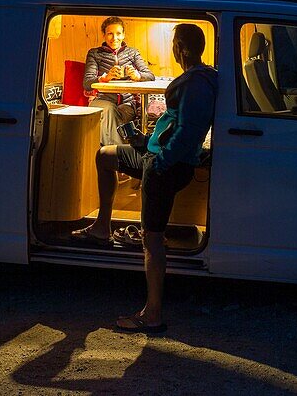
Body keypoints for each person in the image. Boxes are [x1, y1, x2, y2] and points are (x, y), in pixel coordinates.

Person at [72, 23, 218, 335]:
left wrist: (159, 162)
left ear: (180, 47)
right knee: (105, 155)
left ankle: (152, 315)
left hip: (166, 167)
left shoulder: (196, 84)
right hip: (155, 155)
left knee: (152, 239)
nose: (173, 48)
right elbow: (173, 125)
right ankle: (101, 227)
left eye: (175, 43)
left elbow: (187, 133)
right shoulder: (198, 78)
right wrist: (145, 140)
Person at [83, 17, 154, 146]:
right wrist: (104, 78)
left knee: (107, 118)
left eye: (118, 33)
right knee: (107, 109)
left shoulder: (132, 53)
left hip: (127, 103)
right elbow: (87, 83)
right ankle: (120, 154)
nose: (114, 38)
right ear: (104, 35)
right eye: (110, 33)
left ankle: (110, 155)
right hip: (103, 100)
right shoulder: (94, 53)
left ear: (123, 34)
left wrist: (137, 76)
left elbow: (150, 75)